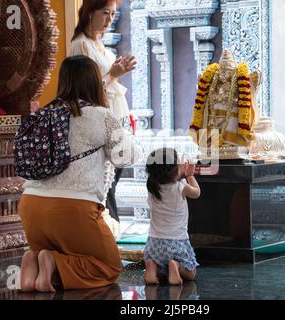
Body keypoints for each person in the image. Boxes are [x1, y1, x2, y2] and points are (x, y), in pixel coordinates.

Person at [18, 55, 142, 292]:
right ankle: (52, 264)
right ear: (95, 82)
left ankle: (35, 264)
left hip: (31, 207)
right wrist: (125, 129)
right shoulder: (100, 115)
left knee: (63, 252)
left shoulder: (44, 114)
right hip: (74, 208)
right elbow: (127, 156)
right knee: (107, 266)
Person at [68, 0, 137, 233]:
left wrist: (117, 72)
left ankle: (111, 231)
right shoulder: (81, 46)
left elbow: (107, 83)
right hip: (96, 121)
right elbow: (83, 93)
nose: (109, 20)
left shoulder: (101, 46)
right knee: (104, 183)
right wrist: (113, 75)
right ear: (89, 13)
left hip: (115, 116)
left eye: (113, 14)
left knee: (113, 180)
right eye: (105, 13)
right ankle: (107, 233)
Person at [143, 148, 201, 285]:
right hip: (177, 242)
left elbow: (167, 180)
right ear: (174, 170)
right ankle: (176, 266)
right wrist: (190, 175)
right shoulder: (181, 187)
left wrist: (180, 173)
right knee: (191, 272)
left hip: (154, 243)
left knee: (160, 265)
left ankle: (152, 266)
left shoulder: (152, 187)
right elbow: (197, 193)